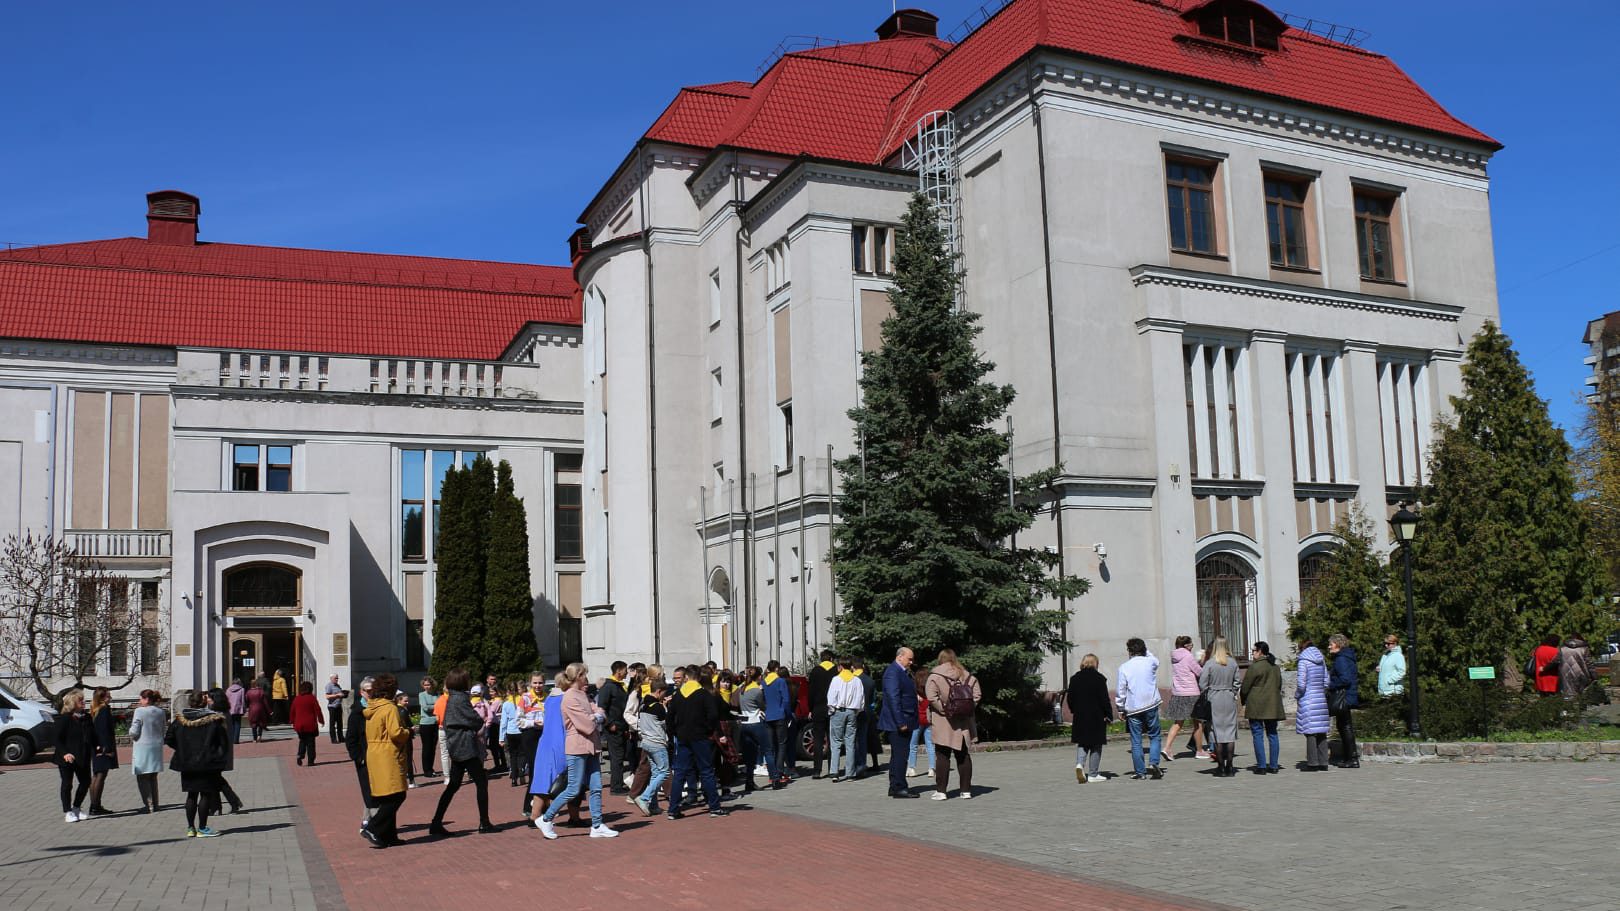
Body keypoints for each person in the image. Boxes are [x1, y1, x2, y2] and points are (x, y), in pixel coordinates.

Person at [536, 662, 618, 839]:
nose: (587, 678)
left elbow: (599, 711)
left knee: (596, 786)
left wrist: (596, 715)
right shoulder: (570, 697)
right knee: (573, 788)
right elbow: (586, 724)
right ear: (578, 676)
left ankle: (597, 825)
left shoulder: (583, 695)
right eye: (584, 675)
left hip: (591, 746)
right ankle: (546, 818)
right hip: (576, 747)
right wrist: (595, 717)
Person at [429, 668, 495, 836]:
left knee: (453, 785)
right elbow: (475, 720)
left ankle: (436, 822)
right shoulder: (460, 699)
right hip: (464, 745)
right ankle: (484, 822)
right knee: (481, 781)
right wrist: (475, 722)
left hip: (456, 745)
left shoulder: (452, 697)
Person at [166, 690, 231, 838]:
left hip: (187, 763)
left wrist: (182, 749)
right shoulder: (214, 720)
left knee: (191, 795)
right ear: (204, 703)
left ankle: (190, 828)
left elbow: (169, 738)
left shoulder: (180, 720)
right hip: (207, 763)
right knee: (206, 795)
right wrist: (219, 757)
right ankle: (202, 827)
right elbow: (223, 743)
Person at [668, 662, 727, 819]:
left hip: (682, 737)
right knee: (706, 771)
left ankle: (673, 809)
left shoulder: (678, 695)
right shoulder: (704, 695)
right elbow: (713, 716)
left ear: (686, 677)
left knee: (679, 772)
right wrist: (711, 730)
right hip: (700, 737)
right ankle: (714, 807)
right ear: (699, 677)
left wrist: (673, 732)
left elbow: (670, 716)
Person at [362, 673, 412, 847]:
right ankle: (373, 827)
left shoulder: (372, 707)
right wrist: (408, 732)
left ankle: (389, 835)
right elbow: (396, 733)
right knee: (397, 795)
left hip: (374, 752)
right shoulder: (389, 708)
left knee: (386, 796)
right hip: (388, 753)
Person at [527, 673, 582, 826]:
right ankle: (574, 817)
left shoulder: (550, 698)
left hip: (546, 743)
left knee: (543, 782)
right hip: (562, 743)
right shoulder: (566, 698)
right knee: (571, 780)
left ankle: (534, 817)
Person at [926, 650, 981, 800]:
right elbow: (977, 695)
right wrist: (966, 708)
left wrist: (943, 709)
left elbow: (931, 696)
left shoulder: (935, 676)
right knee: (963, 755)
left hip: (943, 721)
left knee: (942, 756)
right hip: (963, 722)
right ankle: (965, 790)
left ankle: (941, 791)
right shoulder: (967, 675)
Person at [1114, 638, 1163, 781]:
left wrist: (1120, 707)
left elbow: (1121, 690)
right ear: (1144, 649)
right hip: (1151, 704)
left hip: (1133, 707)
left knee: (1136, 740)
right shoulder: (1150, 662)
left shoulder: (1124, 667)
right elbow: (1156, 660)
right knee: (1154, 735)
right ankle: (1154, 762)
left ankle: (1140, 772)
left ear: (1129, 651)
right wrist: (1145, 650)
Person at [1065, 654, 1113, 783]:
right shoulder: (1099, 679)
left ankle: (1080, 764)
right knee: (1096, 744)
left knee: (1083, 742)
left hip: (1080, 716)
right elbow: (1104, 699)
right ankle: (1093, 774)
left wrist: (1074, 710)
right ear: (1095, 664)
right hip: (1097, 716)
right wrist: (1108, 715)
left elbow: (1070, 698)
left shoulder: (1074, 678)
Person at [1198, 638, 1241, 777]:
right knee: (1229, 733)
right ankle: (1230, 766)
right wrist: (1232, 692)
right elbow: (1237, 682)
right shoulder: (1233, 662)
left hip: (1214, 698)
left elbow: (1202, 683)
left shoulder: (1210, 663)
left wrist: (1209, 691)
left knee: (1216, 732)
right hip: (1228, 697)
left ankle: (1221, 767)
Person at [879, 647, 918, 798]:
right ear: (900, 657)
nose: (911, 662)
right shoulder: (893, 672)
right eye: (909, 659)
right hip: (898, 722)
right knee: (901, 754)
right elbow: (893, 698)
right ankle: (899, 786)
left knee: (898, 754)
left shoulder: (899, 671)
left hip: (902, 719)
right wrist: (900, 722)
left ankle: (895, 785)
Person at [1240, 641, 1284, 774]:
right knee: (1272, 734)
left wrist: (1243, 700)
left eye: (1254, 650)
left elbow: (1245, 687)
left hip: (1256, 705)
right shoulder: (1275, 667)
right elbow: (1279, 685)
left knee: (1258, 734)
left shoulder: (1255, 667)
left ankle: (1261, 766)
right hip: (1272, 705)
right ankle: (1274, 765)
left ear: (1260, 651)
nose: (1252, 653)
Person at [735, 666, 778, 794]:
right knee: (767, 751)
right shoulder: (757, 691)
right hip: (756, 723)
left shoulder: (741, 689)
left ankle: (749, 782)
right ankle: (775, 778)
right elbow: (762, 706)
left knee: (749, 756)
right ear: (759, 677)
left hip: (744, 724)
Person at [1161, 635, 1204, 763]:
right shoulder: (1188, 656)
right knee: (1198, 723)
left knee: (1178, 723)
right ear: (1186, 646)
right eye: (1191, 645)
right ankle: (1200, 750)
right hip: (1191, 692)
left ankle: (1167, 747)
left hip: (1178, 692)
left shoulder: (1174, 657)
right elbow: (1199, 672)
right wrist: (1201, 662)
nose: (1192, 648)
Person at [53, 689, 94, 823]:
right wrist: (65, 753)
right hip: (66, 758)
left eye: (83, 700)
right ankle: (67, 811)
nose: (84, 702)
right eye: (80, 701)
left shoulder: (86, 717)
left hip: (83, 756)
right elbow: (56, 739)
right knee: (67, 784)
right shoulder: (64, 719)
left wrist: (98, 746)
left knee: (85, 782)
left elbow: (92, 735)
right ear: (72, 703)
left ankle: (76, 807)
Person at [633, 682, 673, 816]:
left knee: (656, 774)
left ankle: (653, 805)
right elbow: (666, 724)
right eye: (664, 693)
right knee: (664, 772)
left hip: (646, 742)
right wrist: (666, 708)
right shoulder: (658, 707)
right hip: (657, 743)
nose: (665, 696)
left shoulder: (643, 705)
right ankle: (644, 797)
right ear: (659, 691)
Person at [345, 676, 378, 831]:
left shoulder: (378, 708)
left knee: (375, 790)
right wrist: (358, 757)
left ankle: (366, 821)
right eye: (368, 691)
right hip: (364, 759)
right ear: (361, 692)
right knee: (369, 791)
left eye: (373, 691)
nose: (371, 694)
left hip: (378, 756)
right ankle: (375, 826)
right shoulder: (357, 713)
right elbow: (350, 739)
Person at [1295, 640, 1331, 771]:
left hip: (1308, 699)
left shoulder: (1303, 661)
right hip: (1320, 698)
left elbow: (1301, 684)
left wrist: (1298, 695)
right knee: (1321, 732)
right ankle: (1324, 762)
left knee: (1310, 732)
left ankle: (1313, 762)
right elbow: (1327, 681)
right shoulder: (1321, 660)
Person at [129, 690, 167, 813]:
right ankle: (156, 804)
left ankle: (148, 804)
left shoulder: (139, 711)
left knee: (142, 776)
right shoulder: (160, 712)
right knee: (153, 776)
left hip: (142, 746)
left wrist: (131, 734)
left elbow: (134, 730)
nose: (140, 701)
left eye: (141, 699)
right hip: (156, 746)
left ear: (147, 699)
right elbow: (163, 729)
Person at [596, 661, 631, 795]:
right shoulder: (608, 686)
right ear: (619, 671)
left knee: (620, 756)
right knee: (617, 757)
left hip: (622, 726)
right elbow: (602, 706)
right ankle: (616, 787)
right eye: (625, 670)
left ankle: (618, 783)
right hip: (614, 727)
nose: (626, 672)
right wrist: (609, 723)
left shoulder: (620, 686)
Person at [1326, 633, 1360, 769]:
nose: (1329, 647)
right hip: (1348, 696)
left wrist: (1330, 684)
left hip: (1344, 697)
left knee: (1345, 727)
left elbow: (1345, 679)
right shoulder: (1345, 657)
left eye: (1331, 644)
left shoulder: (1341, 659)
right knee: (1344, 726)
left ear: (1338, 644)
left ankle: (1351, 758)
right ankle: (1349, 757)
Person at [826, 658, 862, 783]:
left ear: (840, 666)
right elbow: (860, 699)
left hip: (838, 711)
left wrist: (832, 711)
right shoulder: (857, 680)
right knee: (850, 742)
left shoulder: (836, 679)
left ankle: (834, 772)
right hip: (852, 711)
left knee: (835, 742)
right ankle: (850, 773)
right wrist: (855, 712)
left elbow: (831, 698)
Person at [84, 686, 118, 815]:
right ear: (103, 698)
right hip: (103, 747)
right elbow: (104, 731)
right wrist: (107, 749)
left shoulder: (95, 710)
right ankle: (95, 806)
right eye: (109, 696)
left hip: (96, 746)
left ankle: (94, 805)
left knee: (96, 775)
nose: (110, 698)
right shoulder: (104, 710)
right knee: (101, 776)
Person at [762, 660, 793, 784]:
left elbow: (762, 699)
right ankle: (779, 771)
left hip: (768, 716)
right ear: (776, 669)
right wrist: (789, 715)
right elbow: (786, 700)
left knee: (771, 746)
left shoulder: (764, 682)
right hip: (780, 715)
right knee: (781, 744)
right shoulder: (781, 681)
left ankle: (772, 773)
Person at [807, 649, 836, 779]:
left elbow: (810, 692)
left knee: (818, 740)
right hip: (832, 708)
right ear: (831, 659)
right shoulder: (836, 671)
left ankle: (817, 770)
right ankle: (832, 769)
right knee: (832, 740)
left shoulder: (815, 671)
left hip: (818, 708)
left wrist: (810, 708)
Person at [514, 673, 546, 789]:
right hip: (530, 734)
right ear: (530, 683)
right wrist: (533, 723)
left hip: (545, 734)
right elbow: (518, 721)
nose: (538, 685)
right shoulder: (525, 698)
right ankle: (531, 798)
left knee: (545, 766)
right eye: (535, 683)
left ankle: (543, 797)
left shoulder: (547, 697)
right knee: (534, 765)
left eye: (540, 683)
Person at [852, 658, 878, 778]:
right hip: (867, 712)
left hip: (853, 711)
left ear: (853, 667)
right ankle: (862, 764)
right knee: (862, 739)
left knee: (852, 740)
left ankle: (855, 765)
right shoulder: (870, 681)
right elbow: (873, 699)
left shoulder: (851, 679)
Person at [907, 667, 934, 779]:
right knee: (930, 745)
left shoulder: (914, 691)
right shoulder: (930, 691)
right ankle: (932, 769)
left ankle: (912, 768)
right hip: (928, 720)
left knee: (913, 745)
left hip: (917, 721)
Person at [290, 680, 325, 766]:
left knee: (302, 741)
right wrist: (321, 720)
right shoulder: (311, 698)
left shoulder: (297, 698)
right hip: (310, 724)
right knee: (311, 743)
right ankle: (310, 761)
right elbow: (318, 710)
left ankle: (300, 755)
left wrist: (291, 721)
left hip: (299, 725)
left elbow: (292, 711)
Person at [417, 676, 440, 779]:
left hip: (435, 723)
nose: (427, 687)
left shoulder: (437, 694)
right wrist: (435, 706)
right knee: (427, 748)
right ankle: (426, 770)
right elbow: (425, 708)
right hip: (425, 723)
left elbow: (441, 707)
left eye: (428, 684)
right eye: (425, 685)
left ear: (432, 685)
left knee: (433, 747)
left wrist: (434, 707)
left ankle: (431, 768)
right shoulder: (421, 695)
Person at [1377, 634, 1407, 698]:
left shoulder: (1398, 655)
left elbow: (1402, 672)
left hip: (1393, 691)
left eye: (1388, 643)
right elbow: (1388, 667)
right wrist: (1380, 668)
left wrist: (1389, 680)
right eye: (1385, 643)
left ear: (1395, 643)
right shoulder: (1385, 655)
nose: (1386, 645)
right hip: (1383, 690)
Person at [325, 674, 348, 744]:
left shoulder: (338, 686)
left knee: (339, 723)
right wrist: (337, 695)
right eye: (335, 678)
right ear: (331, 678)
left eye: (337, 678)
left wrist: (344, 694)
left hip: (338, 706)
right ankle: (333, 739)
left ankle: (341, 737)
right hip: (332, 707)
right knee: (332, 723)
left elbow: (340, 694)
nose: (337, 679)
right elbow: (327, 696)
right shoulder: (329, 686)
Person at [245, 677, 270, 742]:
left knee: (253, 724)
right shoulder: (261, 691)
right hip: (260, 708)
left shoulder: (248, 692)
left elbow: (247, 701)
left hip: (252, 709)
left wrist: (247, 708)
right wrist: (269, 710)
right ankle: (259, 735)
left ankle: (254, 738)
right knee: (261, 723)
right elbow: (265, 702)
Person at [225, 679, 246, 744]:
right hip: (238, 709)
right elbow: (243, 700)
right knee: (237, 724)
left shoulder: (228, 690)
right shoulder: (242, 689)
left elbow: (226, 700)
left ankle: (231, 739)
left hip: (230, 709)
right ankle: (236, 740)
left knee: (231, 724)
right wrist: (244, 709)